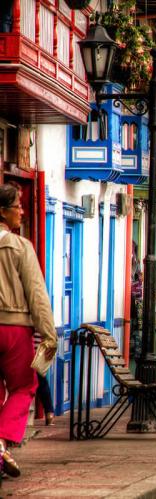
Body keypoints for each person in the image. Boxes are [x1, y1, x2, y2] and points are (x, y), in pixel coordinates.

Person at [0, 184, 57, 477]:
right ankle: (1, 441)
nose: (22, 211)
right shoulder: (21, 247)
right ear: (3, 212)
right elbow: (37, 293)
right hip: (14, 329)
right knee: (24, 386)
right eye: (17, 206)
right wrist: (49, 334)